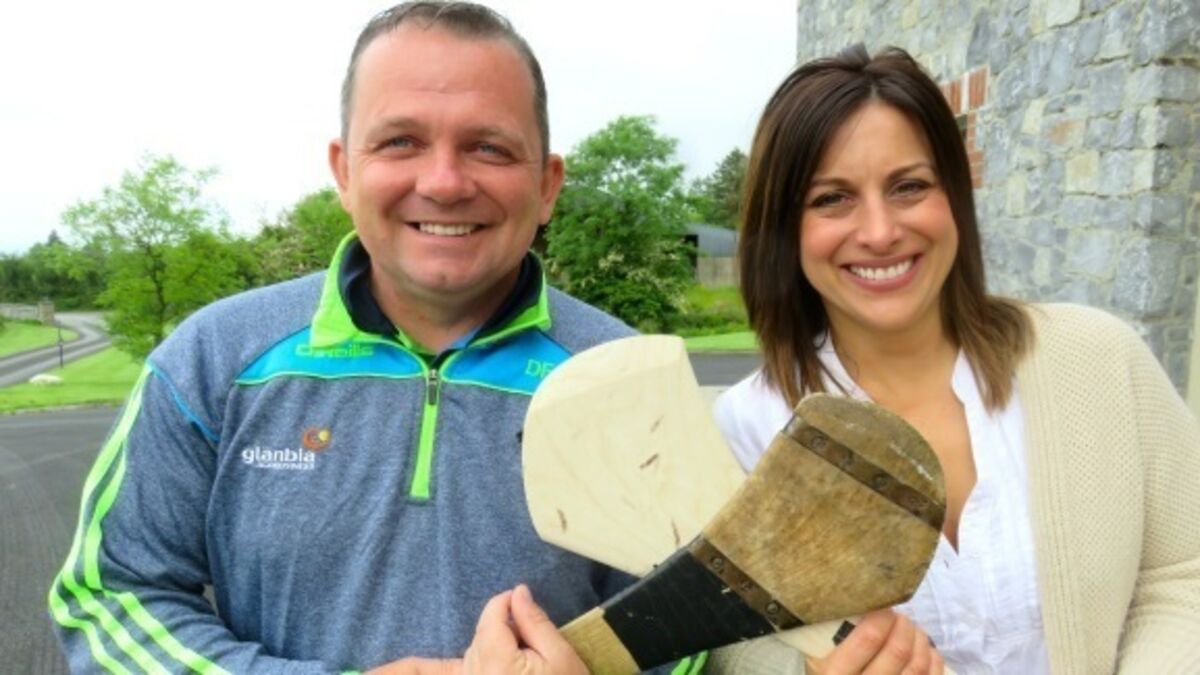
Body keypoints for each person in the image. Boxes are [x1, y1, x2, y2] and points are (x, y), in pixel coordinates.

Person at [48, 3, 668, 673]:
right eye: (400, 141)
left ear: (546, 185)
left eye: (488, 146)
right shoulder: (212, 361)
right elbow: (111, 599)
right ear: (344, 171)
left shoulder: (626, 383)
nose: (444, 182)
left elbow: (690, 631)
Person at [708, 44, 1200, 674]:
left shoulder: (1100, 360)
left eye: (909, 186)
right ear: (782, 227)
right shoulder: (742, 434)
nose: (880, 231)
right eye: (831, 198)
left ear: (955, 196)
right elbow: (727, 646)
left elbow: (1182, 574)